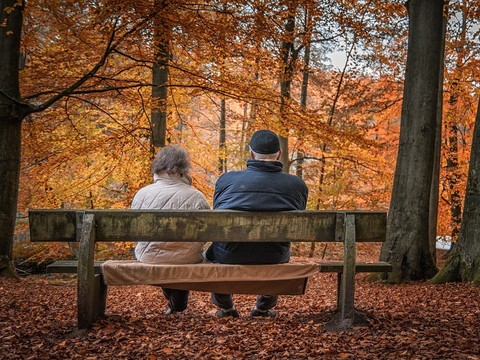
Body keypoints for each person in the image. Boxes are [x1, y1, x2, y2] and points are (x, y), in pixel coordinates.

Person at [205, 129, 308, 318]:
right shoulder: (296, 185)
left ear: (251, 153)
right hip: (273, 255)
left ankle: (226, 308)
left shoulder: (226, 180)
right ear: (278, 154)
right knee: (277, 250)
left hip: (229, 254)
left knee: (215, 251)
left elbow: (217, 215)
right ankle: (262, 309)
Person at [132, 145, 210, 315]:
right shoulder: (196, 196)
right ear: (184, 168)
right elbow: (206, 233)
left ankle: (176, 306)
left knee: (159, 255)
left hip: (149, 256)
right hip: (189, 257)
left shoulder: (142, 194)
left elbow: (136, 234)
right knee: (181, 255)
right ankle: (178, 306)